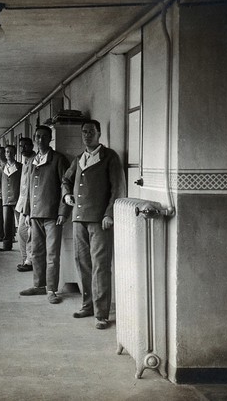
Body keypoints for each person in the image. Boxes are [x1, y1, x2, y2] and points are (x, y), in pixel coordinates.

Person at [62, 120, 126, 329]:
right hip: (78, 219)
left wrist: (109, 214)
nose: (86, 135)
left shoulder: (109, 157)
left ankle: (101, 314)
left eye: (91, 132)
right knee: (83, 263)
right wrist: (66, 196)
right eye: (84, 132)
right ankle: (87, 305)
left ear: (99, 134)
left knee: (100, 266)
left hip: (100, 221)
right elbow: (66, 180)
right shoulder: (80, 159)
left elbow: (118, 188)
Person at [20, 125, 71, 304]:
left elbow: (66, 185)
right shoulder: (33, 160)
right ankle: (38, 285)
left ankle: (51, 290)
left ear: (50, 139)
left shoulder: (58, 159)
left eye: (43, 137)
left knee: (52, 254)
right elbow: (27, 189)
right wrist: (26, 212)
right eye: (37, 137)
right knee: (36, 251)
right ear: (34, 139)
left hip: (52, 216)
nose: (40, 140)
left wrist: (63, 212)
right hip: (35, 214)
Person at [14, 137, 36, 272]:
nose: (23, 149)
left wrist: (27, 208)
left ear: (32, 146)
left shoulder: (35, 161)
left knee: (29, 233)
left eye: (26, 146)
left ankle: (30, 261)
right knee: (21, 232)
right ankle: (25, 259)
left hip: (31, 204)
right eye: (21, 146)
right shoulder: (26, 161)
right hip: (22, 204)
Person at [0, 145, 22, 252]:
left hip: (17, 200)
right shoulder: (2, 167)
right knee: (6, 223)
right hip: (6, 200)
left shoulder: (20, 167)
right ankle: (6, 245)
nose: (8, 154)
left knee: (21, 224)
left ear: (15, 153)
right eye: (7, 152)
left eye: (11, 152)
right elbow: (0, 183)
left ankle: (24, 247)